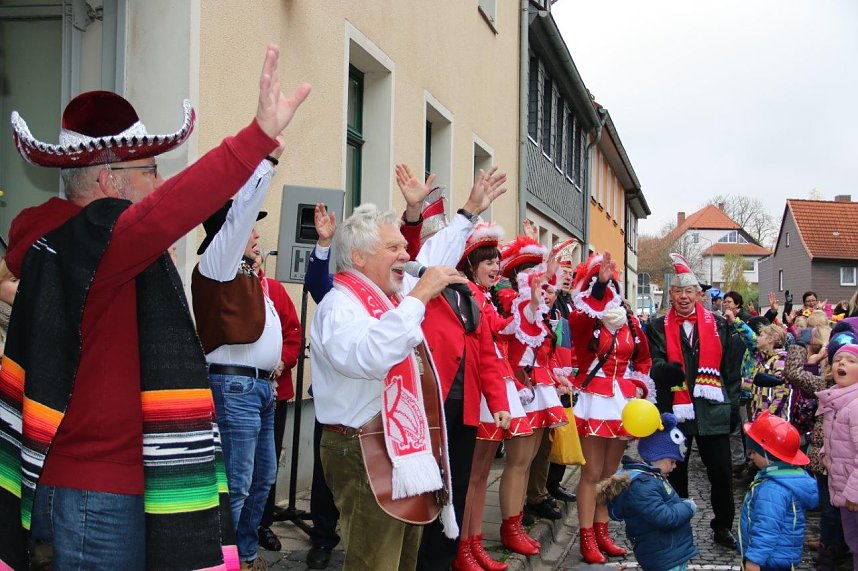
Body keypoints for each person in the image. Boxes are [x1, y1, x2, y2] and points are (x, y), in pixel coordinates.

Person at [0, 44, 310, 570]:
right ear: (108, 179)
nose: (159, 184)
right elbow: (177, 208)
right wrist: (255, 137)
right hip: (97, 489)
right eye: (150, 169)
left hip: (106, 481)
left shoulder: (76, 246)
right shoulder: (95, 244)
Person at [192, 149, 285, 569]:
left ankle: (244, 557)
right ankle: (218, 561)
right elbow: (239, 218)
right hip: (235, 387)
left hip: (260, 387)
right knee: (237, 484)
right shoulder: (217, 263)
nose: (255, 235)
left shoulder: (248, 271)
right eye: (249, 230)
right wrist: (265, 163)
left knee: (261, 480)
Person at [647, 253, 740, 550]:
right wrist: (666, 371)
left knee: (722, 474)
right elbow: (653, 365)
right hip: (677, 410)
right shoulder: (658, 326)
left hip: (713, 410)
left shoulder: (718, 325)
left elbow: (731, 371)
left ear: (699, 295)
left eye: (689, 291)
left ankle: (723, 525)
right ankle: (676, 525)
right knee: (675, 474)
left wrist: (734, 406)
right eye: (678, 291)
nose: (684, 297)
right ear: (670, 295)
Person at [568, 251, 654, 564]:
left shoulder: (629, 319)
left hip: (622, 401)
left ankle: (603, 531)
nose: (608, 291)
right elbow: (581, 316)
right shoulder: (584, 320)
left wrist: (641, 385)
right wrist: (598, 288)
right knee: (591, 473)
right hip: (595, 399)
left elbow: (643, 356)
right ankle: (586, 536)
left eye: (610, 283)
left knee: (609, 473)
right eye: (601, 285)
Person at [597, 412, 698, 571]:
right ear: (655, 455)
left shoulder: (650, 478)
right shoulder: (643, 484)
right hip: (664, 557)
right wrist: (688, 507)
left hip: (668, 553)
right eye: (671, 461)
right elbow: (664, 517)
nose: (674, 466)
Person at [256, 254, 302, 553]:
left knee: (267, 462)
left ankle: (263, 522)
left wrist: (283, 361)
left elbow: (294, 334)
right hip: (239, 392)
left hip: (275, 391)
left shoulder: (274, 290)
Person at [738, 412, 818, 571]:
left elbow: (767, 528)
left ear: (769, 454)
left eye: (754, 452)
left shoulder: (772, 488)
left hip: (768, 562)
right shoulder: (788, 478)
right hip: (781, 557)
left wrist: (754, 560)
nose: (751, 456)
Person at [816, 334, 858, 569]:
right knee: (853, 543)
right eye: (837, 359)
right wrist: (825, 455)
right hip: (842, 487)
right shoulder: (837, 399)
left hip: (853, 492)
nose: (841, 364)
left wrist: (854, 492)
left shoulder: (855, 404)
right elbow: (838, 439)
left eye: (850, 361)